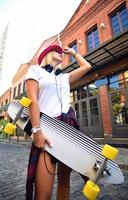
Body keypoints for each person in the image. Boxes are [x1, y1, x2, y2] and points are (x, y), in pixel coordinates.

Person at [25, 45, 92, 200]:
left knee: (64, 183)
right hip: (48, 130)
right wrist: (37, 131)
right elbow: (32, 100)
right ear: (46, 55)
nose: (60, 52)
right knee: (43, 194)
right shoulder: (35, 70)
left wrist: (73, 53)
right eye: (56, 50)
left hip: (68, 131)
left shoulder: (64, 77)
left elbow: (87, 66)